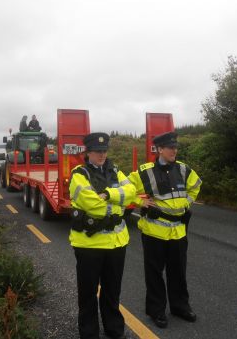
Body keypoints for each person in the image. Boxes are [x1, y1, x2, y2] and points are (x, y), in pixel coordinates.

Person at [128, 131, 202, 329]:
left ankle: (180, 307)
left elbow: (196, 187)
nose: (174, 151)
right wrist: (139, 202)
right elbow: (125, 188)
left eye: (176, 147)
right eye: (170, 148)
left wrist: (187, 203)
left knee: (178, 272)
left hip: (178, 231)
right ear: (159, 149)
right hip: (154, 232)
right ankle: (156, 310)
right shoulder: (146, 171)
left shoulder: (184, 169)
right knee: (154, 274)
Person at [69, 132, 136, 339]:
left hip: (116, 243)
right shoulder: (79, 174)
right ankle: (89, 333)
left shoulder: (115, 170)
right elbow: (91, 204)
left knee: (112, 290)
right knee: (88, 293)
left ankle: (114, 329)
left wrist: (107, 195)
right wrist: (117, 199)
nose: (102, 155)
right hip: (89, 244)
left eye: (105, 151)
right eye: (98, 151)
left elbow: (131, 192)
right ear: (88, 152)